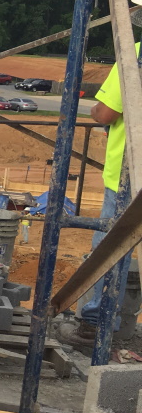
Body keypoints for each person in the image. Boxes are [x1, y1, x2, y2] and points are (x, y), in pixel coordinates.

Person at [76, 35, 140, 345]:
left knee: (112, 248)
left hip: (129, 176)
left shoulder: (135, 55)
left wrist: (95, 112)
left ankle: (96, 322)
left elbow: (105, 113)